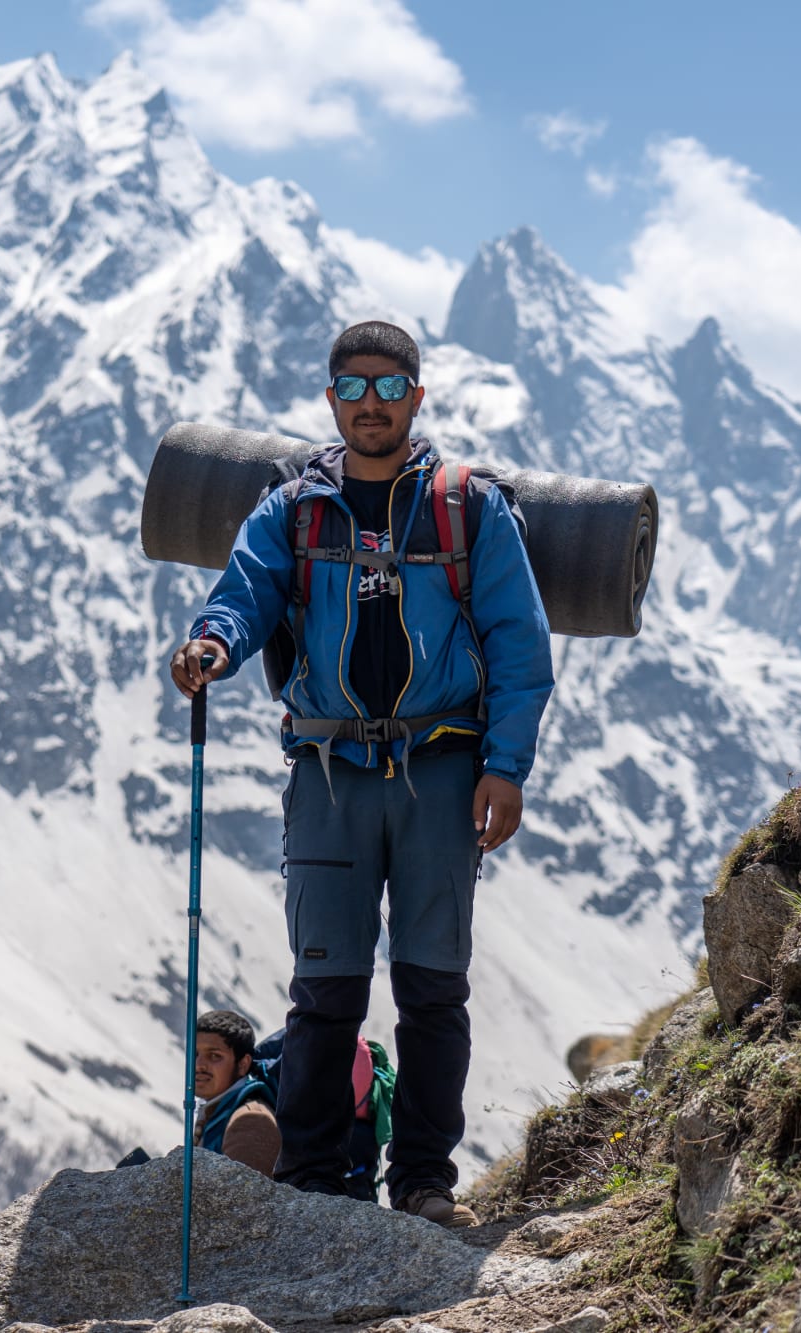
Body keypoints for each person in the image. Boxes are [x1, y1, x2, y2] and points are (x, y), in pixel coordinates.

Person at [169, 320, 554, 1228]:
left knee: (432, 987)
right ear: (330, 398)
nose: (371, 405)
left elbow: (518, 643)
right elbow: (249, 588)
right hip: (330, 770)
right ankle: (310, 1177)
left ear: (418, 398)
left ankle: (422, 1180)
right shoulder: (293, 510)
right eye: (353, 389)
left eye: (389, 389)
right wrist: (212, 643)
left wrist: (505, 766)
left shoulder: (469, 508)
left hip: (444, 768)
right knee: (326, 990)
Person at [194, 1009, 280, 1176]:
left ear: (242, 1064)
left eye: (214, 1055)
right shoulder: (221, 1111)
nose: (199, 1065)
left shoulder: (251, 1120)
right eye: (195, 1054)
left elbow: (245, 1200)